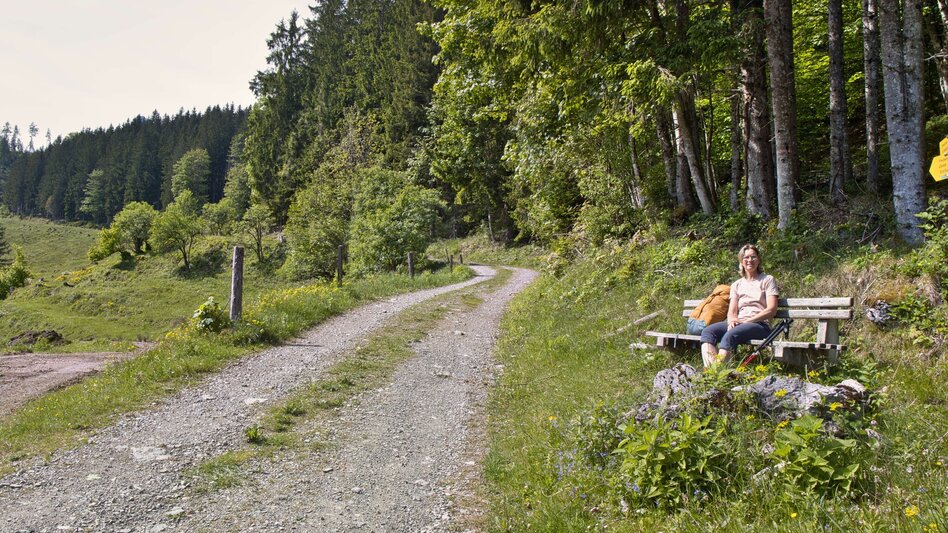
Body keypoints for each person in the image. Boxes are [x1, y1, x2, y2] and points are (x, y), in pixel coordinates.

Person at [700, 244, 779, 367]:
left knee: (730, 336)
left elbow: (771, 310)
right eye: (746, 257)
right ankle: (712, 370)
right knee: (708, 332)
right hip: (740, 324)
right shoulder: (737, 284)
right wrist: (732, 321)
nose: (750, 260)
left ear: (758, 259)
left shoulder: (767, 280)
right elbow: (732, 311)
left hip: (760, 325)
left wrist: (747, 321)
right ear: (741, 261)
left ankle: (719, 372)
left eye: (753, 257)